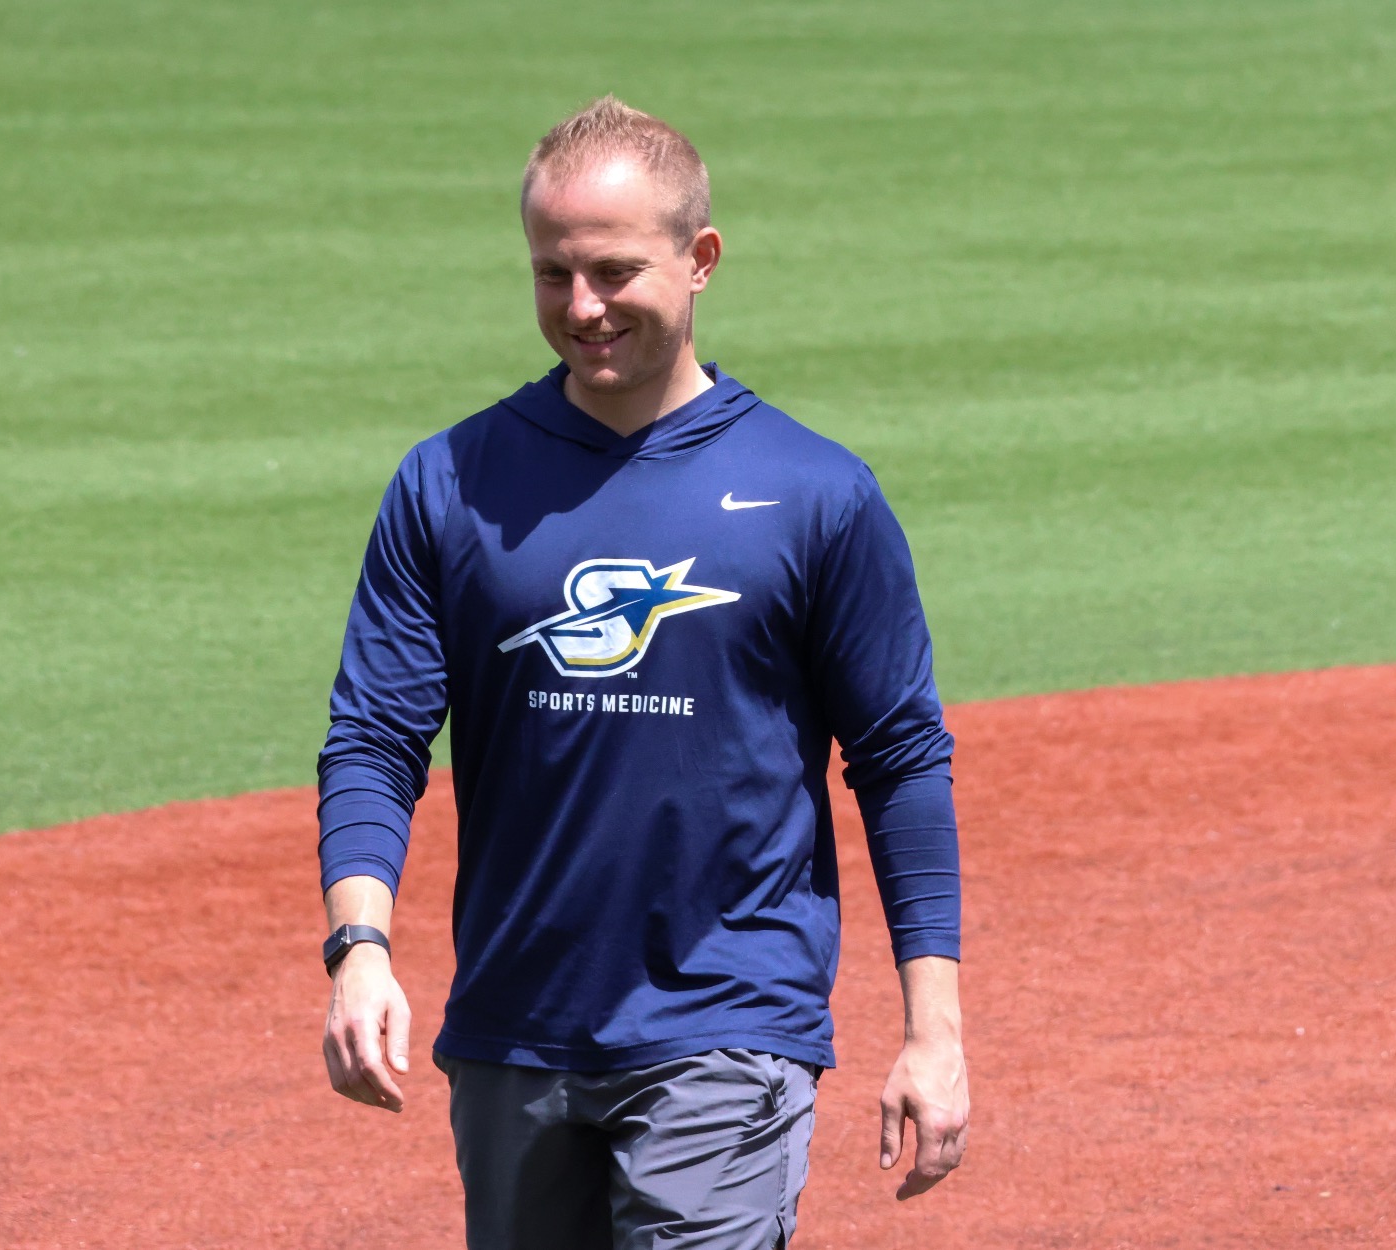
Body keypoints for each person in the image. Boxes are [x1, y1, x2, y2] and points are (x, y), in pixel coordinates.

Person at [315, 95, 968, 1250]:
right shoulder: (448, 483)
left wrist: (935, 1030)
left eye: (614, 271)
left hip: (727, 1018)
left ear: (700, 259)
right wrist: (358, 945)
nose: (581, 307)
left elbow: (900, 759)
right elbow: (375, 733)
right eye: (550, 274)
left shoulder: (814, 492)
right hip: (514, 1025)